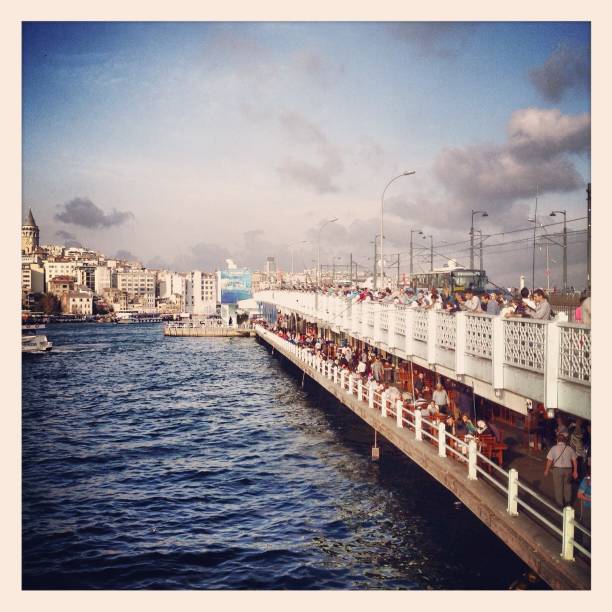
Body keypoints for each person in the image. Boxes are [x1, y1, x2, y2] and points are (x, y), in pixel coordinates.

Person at [544, 435, 578, 508]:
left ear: (557, 440)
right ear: (565, 441)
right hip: (568, 470)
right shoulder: (570, 449)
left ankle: (560, 505)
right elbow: (575, 461)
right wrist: (575, 471)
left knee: (558, 487)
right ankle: (568, 503)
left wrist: (546, 470)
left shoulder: (553, 448)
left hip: (557, 469)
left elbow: (550, 460)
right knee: (568, 486)